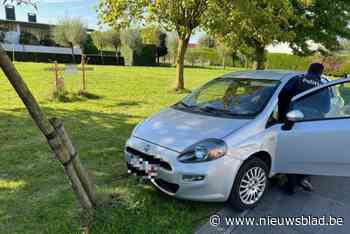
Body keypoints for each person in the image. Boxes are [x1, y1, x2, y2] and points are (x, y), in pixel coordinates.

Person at [278, 63, 330, 194]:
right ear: (320, 73)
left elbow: (282, 95)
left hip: (295, 118)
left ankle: (291, 184)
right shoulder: (324, 86)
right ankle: (303, 177)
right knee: (308, 150)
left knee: (291, 150)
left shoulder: (298, 80)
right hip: (314, 123)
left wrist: (283, 114)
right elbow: (326, 108)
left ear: (308, 70)